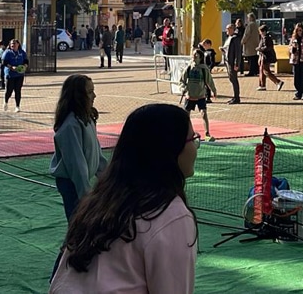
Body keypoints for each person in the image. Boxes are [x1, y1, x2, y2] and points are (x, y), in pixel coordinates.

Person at [49, 103, 199, 294]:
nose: (195, 147)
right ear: (170, 149)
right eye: (192, 139)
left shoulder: (100, 200)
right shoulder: (171, 215)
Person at [49, 75, 107, 220]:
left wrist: (108, 179)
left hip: (81, 180)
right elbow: (76, 163)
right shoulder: (71, 126)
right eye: (89, 92)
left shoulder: (86, 119)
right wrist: (85, 194)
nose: (94, 96)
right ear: (78, 96)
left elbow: (97, 154)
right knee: (78, 224)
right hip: (72, 183)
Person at [183, 40, 218, 140]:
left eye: (196, 56)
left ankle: (207, 133)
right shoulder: (189, 67)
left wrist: (214, 91)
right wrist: (183, 88)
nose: (194, 58)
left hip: (201, 95)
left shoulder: (204, 69)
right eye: (193, 56)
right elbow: (182, 80)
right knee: (186, 115)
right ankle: (186, 132)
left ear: (200, 57)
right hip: (190, 95)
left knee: (203, 113)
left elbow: (209, 81)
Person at [2, 39, 29, 112]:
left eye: (14, 43)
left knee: (18, 90)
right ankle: (6, 102)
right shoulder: (7, 52)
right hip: (10, 74)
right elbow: (4, 62)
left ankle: (17, 106)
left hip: (19, 74)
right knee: (9, 90)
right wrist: (11, 67)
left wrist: (25, 66)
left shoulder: (22, 52)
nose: (12, 45)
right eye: (11, 44)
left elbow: (26, 61)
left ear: (18, 44)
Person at [221, 23, 242, 104]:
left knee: (234, 79)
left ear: (232, 29)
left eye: (228, 29)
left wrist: (237, 63)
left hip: (232, 62)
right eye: (226, 29)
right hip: (227, 61)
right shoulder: (229, 38)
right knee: (231, 79)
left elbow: (238, 52)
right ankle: (235, 96)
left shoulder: (235, 38)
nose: (227, 30)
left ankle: (237, 97)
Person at [241, 14, 261, 78]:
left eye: (248, 17)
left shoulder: (250, 25)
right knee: (254, 58)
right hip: (255, 43)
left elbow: (247, 34)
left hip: (249, 44)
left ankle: (251, 71)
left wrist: (242, 41)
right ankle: (255, 71)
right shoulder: (256, 24)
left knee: (251, 59)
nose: (247, 19)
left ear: (251, 18)